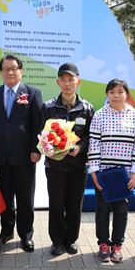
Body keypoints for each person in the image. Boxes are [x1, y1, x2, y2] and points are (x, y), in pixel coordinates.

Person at [0, 54, 43, 253]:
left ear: (20, 71)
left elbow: (38, 124)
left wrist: (36, 149)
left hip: (25, 156)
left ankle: (26, 235)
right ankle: (7, 231)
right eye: (6, 69)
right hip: (1, 156)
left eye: (14, 68)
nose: (10, 72)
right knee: (6, 198)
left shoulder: (32, 93)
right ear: (1, 72)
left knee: (25, 198)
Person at [88, 79, 135, 263]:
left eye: (120, 91)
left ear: (127, 94)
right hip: (104, 173)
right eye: (112, 92)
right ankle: (103, 244)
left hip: (125, 174)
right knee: (102, 209)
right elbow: (94, 144)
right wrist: (94, 172)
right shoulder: (99, 115)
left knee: (121, 210)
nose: (116, 95)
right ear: (107, 95)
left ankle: (117, 246)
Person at [41, 63, 95, 256]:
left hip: (77, 165)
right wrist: (49, 145)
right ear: (58, 82)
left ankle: (71, 239)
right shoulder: (48, 107)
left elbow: (91, 136)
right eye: (63, 80)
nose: (67, 83)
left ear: (77, 81)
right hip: (54, 166)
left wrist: (80, 147)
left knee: (74, 205)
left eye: (70, 79)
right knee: (56, 205)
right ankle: (56, 241)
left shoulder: (87, 108)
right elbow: (42, 134)